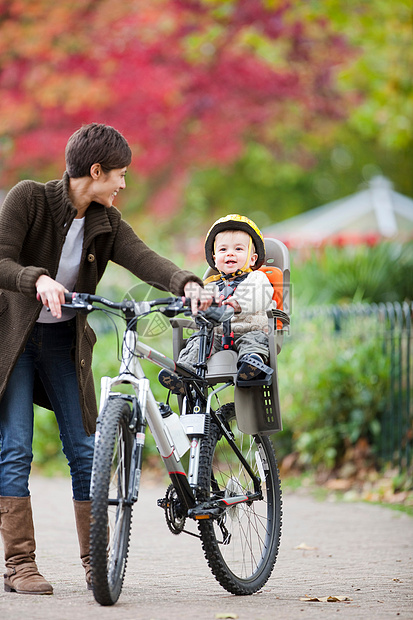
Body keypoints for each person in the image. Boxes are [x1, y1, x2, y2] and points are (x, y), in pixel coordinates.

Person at [0, 123, 211, 595]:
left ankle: (97, 561)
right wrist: (36, 278)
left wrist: (186, 283)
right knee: (15, 449)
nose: (123, 184)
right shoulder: (28, 198)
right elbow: (0, 259)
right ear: (94, 171)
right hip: (13, 343)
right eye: (119, 174)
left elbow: (144, 257)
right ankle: (19, 565)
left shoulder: (105, 221)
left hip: (62, 346)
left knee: (84, 448)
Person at [158, 214, 274, 394]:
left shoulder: (257, 278)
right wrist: (199, 311)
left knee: (255, 340)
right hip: (218, 334)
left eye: (238, 249)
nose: (230, 253)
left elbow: (258, 296)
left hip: (249, 328)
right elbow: (201, 310)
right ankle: (183, 374)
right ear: (214, 258)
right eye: (223, 250)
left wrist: (236, 304)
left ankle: (251, 363)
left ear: (252, 259)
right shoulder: (210, 286)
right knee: (197, 342)